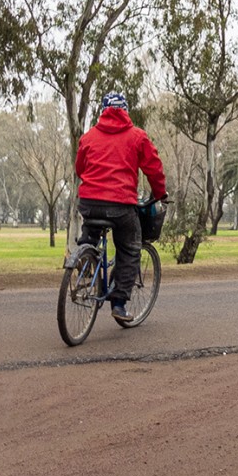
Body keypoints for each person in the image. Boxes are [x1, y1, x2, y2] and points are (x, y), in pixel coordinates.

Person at [74, 91, 167, 322]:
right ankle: (118, 303)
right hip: (120, 205)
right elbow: (153, 169)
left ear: (103, 111)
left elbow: (80, 169)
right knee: (130, 248)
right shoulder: (137, 136)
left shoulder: (88, 137)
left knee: (91, 228)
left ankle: (84, 258)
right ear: (125, 110)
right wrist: (160, 193)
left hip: (89, 203)